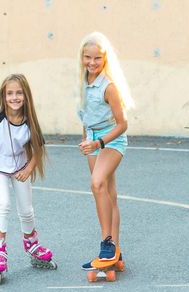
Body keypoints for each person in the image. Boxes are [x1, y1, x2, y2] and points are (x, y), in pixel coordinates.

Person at [0, 74, 55, 273]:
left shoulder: (30, 123)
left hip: (20, 168)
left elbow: (38, 149)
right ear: (3, 96)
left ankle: (31, 243)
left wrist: (28, 169)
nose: (15, 97)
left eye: (19, 93)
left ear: (26, 96)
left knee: (26, 210)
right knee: (3, 204)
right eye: (10, 93)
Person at [76, 32, 135, 270]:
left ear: (105, 59)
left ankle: (107, 242)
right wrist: (86, 139)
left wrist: (98, 143)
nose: (92, 63)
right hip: (92, 140)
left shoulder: (109, 87)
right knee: (108, 194)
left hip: (112, 140)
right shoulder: (83, 83)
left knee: (96, 183)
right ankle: (115, 251)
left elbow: (123, 124)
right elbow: (86, 116)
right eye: (87, 58)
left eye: (97, 59)